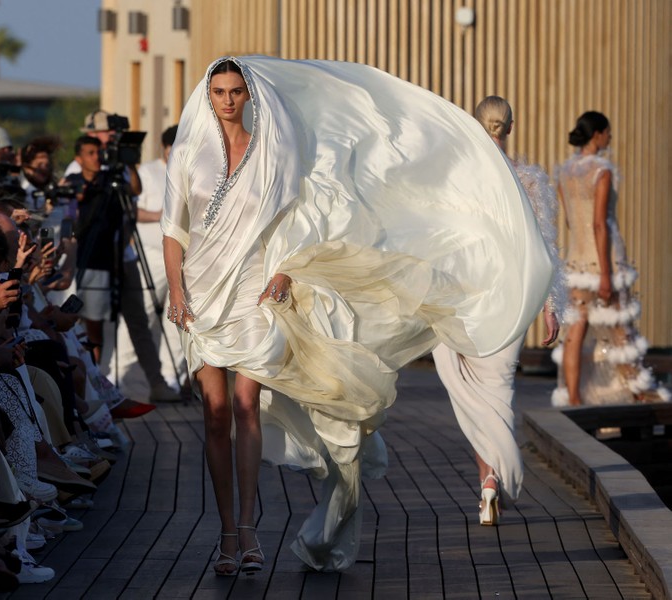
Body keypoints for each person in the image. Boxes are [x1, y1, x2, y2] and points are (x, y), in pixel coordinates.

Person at [162, 56, 552, 573]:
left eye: (236, 91)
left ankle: (251, 534)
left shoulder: (270, 151)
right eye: (219, 92)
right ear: (207, 96)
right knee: (214, 416)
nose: (229, 100)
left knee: (246, 406)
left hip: (254, 292)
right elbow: (173, 230)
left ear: (249, 96)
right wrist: (175, 290)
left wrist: (283, 272)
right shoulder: (190, 154)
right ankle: (227, 533)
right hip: (202, 292)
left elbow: (293, 216)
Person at [432, 96, 562, 526]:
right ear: (510, 126)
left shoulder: (457, 179)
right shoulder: (528, 181)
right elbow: (544, 248)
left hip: (463, 299)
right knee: (498, 392)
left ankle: (488, 480)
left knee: (472, 397)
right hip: (508, 301)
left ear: (478, 125)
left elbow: (437, 241)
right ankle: (494, 482)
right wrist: (550, 307)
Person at [552, 112, 669, 406]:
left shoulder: (565, 172)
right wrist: (605, 273)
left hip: (577, 262)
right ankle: (637, 392)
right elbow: (599, 224)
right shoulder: (601, 170)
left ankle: (575, 399)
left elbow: (570, 221)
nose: (610, 139)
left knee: (574, 331)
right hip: (605, 261)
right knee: (620, 329)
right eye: (608, 133)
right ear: (598, 135)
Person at [66, 129, 178, 403]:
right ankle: (97, 385)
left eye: (100, 152)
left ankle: (157, 382)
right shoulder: (74, 182)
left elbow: (135, 191)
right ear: (79, 157)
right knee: (95, 325)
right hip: (94, 261)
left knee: (139, 321)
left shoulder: (113, 177)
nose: (98, 157)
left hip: (124, 258)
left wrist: (128, 163)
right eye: (91, 152)